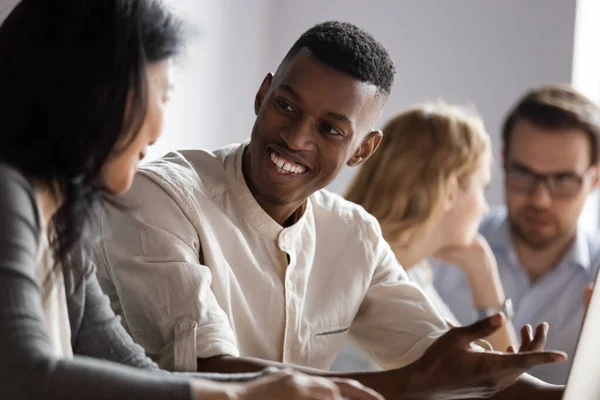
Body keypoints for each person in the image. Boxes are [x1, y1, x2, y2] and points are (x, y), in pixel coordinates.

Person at [94, 21, 566, 399]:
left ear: (364, 149)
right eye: (285, 106)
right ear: (262, 96)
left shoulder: (354, 235)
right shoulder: (161, 196)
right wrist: (409, 385)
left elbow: (444, 357)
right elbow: (207, 374)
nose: (296, 138)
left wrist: (554, 393)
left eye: (331, 130)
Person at [0, 1, 382, 399]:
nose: (161, 125)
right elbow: (22, 376)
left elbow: (134, 367)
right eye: (162, 96)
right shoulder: (7, 192)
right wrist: (241, 395)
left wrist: (278, 389)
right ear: (91, 93)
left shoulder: (62, 222)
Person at [330, 103, 523, 372]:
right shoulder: (374, 281)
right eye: (482, 187)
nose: (485, 207)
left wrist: (483, 275)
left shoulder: (414, 271)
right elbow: (497, 384)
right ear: (451, 191)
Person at [433, 85, 600, 384]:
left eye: (562, 180)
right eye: (523, 174)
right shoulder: (442, 249)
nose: (540, 199)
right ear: (503, 161)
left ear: (595, 178)